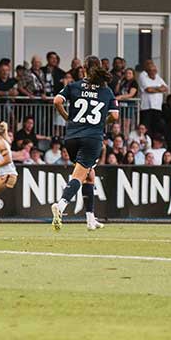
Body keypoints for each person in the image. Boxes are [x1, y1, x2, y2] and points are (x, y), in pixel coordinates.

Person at [51, 60, 119, 231]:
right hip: (92, 138)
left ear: (84, 69)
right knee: (79, 176)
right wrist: (102, 122)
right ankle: (61, 205)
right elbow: (116, 116)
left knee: (89, 174)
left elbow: (57, 101)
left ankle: (90, 219)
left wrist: (68, 118)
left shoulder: (74, 86)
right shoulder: (106, 91)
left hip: (72, 138)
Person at [137, 61, 167, 138]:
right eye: (151, 70)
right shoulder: (143, 75)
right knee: (146, 128)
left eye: (155, 70)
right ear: (147, 69)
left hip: (157, 107)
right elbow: (148, 90)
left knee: (156, 128)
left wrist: (154, 89)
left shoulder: (157, 77)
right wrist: (159, 89)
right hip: (146, 107)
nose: (153, 72)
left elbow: (165, 88)